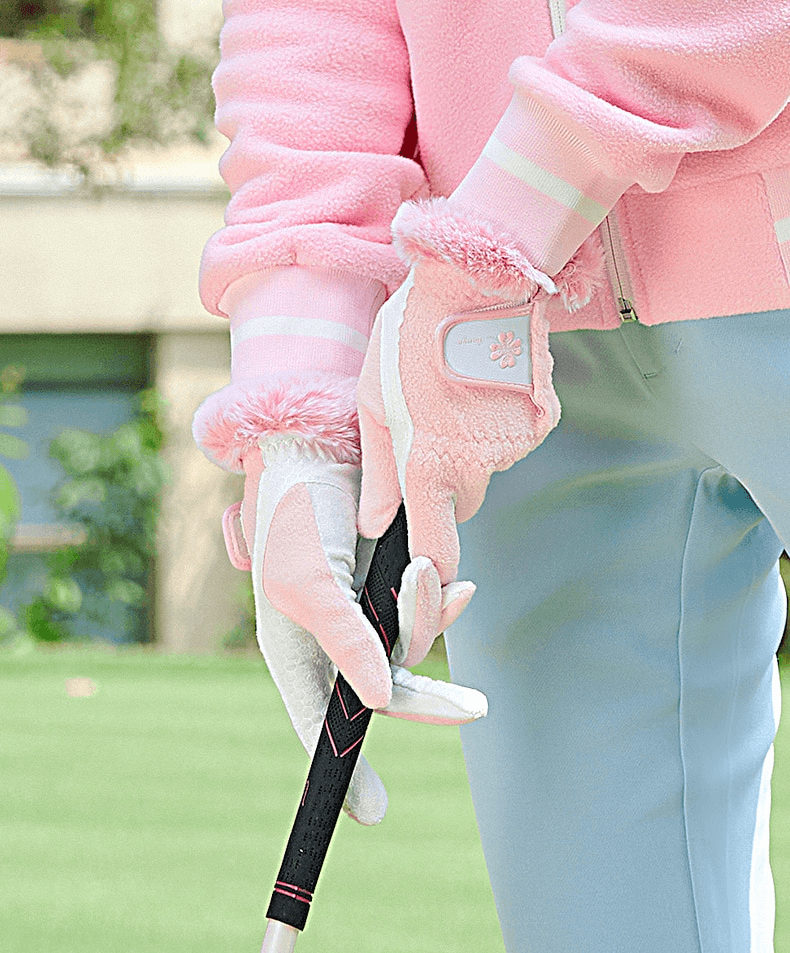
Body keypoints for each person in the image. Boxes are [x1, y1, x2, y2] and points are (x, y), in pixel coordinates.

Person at [193, 1, 790, 949]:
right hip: (509, 341)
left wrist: (504, 224)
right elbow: (310, 22)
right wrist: (299, 419)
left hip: (488, 285)